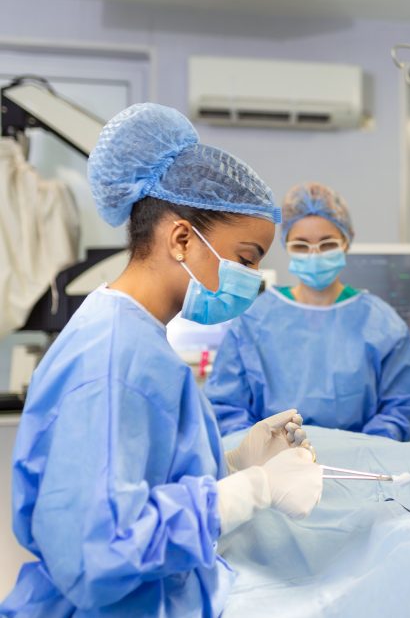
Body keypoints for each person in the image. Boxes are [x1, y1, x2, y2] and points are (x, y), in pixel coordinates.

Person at [1, 104, 323, 617]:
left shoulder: (135, 336)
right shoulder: (112, 360)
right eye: (245, 259)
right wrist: (251, 490)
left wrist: (234, 463)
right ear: (180, 239)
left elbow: (138, 476)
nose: (253, 279)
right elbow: (97, 551)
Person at [205, 182, 410, 442]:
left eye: (327, 244)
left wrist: (362, 450)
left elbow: (401, 409)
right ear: (286, 246)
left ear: (347, 241)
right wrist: (265, 448)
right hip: (272, 468)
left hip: (360, 467)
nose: (314, 255)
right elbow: (227, 407)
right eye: (301, 245)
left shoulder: (382, 323)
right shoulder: (254, 319)